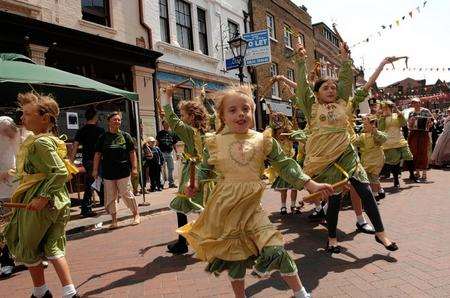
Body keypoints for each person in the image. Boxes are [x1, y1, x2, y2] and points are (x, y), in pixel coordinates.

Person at [176, 84, 334, 298]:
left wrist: (310, 183)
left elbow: (285, 164)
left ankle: (301, 293)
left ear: (252, 111)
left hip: (253, 210)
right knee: (235, 259)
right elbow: (204, 170)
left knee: (276, 248)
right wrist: (195, 185)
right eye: (232, 110)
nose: (240, 114)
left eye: (245, 109)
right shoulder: (214, 142)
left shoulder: (262, 140)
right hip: (226, 210)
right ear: (222, 115)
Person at [290, 43, 398, 253]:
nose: (330, 90)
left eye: (333, 87)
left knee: (365, 191)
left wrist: (345, 59)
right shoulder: (311, 106)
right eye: (325, 87)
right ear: (317, 93)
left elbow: (348, 82)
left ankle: (381, 233)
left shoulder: (345, 104)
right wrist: (301, 60)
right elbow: (302, 86)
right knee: (335, 197)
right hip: (324, 159)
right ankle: (331, 238)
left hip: (346, 153)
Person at [4, 92, 80, 298]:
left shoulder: (39, 143)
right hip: (59, 201)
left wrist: (43, 197)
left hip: (42, 201)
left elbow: (60, 172)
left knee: (28, 245)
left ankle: (41, 291)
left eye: (28, 114)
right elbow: (53, 171)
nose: (22, 118)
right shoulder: (49, 140)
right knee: (54, 246)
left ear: (44, 118)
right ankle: (68, 292)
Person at [158, 88, 214, 255]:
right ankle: (188, 240)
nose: (182, 118)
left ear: (191, 116)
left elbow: (172, 120)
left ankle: (187, 242)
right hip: (205, 172)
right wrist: (203, 98)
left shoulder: (189, 131)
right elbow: (212, 113)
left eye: (184, 115)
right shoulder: (205, 131)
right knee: (198, 205)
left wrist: (166, 97)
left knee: (185, 204)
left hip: (192, 172)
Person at [92, 112, 140, 229]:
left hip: (123, 171)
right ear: (108, 122)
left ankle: (136, 215)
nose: (117, 122)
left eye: (119, 120)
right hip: (108, 172)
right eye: (114, 120)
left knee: (127, 194)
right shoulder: (103, 137)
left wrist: (134, 168)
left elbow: (132, 152)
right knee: (110, 197)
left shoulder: (125, 136)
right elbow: (97, 154)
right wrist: (95, 170)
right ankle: (114, 220)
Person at [69, 106, 105, 216]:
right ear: (95, 117)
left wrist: (71, 161)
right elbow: (104, 147)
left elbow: (75, 146)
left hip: (86, 160)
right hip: (97, 159)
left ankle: (103, 199)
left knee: (96, 180)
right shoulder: (100, 130)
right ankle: (86, 208)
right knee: (91, 183)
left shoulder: (81, 130)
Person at [379, 101, 419, 187]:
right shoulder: (382, 118)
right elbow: (381, 128)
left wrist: (397, 110)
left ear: (390, 108)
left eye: (385, 108)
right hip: (389, 143)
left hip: (400, 140)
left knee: (409, 156)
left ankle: (412, 175)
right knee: (394, 162)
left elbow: (404, 123)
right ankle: (396, 180)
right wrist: (382, 117)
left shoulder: (396, 115)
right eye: (383, 108)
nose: (384, 110)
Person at [0, 116, 21, 277]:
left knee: (21, 220)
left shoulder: (15, 133)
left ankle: (25, 257)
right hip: (4, 187)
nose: (10, 132)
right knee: (7, 223)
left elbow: (20, 153)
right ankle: (6, 260)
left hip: (18, 182)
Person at [354, 115, 388, 201]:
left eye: (366, 124)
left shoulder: (376, 134)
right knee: (368, 177)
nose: (363, 126)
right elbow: (356, 142)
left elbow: (383, 139)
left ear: (372, 125)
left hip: (376, 159)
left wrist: (375, 132)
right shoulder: (363, 135)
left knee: (373, 177)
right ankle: (379, 192)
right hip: (366, 160)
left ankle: (375, 196)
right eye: (363, 124)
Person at [407, 98, 434, 180]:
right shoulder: (411, 113)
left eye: (417, 103)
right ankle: (417, 171)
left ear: (420, 103)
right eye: (413, 103)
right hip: (414, 133)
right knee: (415, 152)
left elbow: (433, 121)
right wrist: (411, 122)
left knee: (424, 152)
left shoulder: (426, 111)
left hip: (424, 133)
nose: (415, 104)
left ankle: (424, 172)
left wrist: (430, 124)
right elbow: (409, 124)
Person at [156, 120, 178, 188]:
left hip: (170, 153)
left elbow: (174, 144)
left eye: (168, 123)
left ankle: (171, 183)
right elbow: (157, 143)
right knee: (161, 168)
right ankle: (161, 184)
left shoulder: (172, 133)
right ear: (163, 125)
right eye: (165, 124)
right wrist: (157, 153)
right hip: (162, 152)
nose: (167, 125)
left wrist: (176, 153)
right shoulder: (160, 133)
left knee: (171, 168)